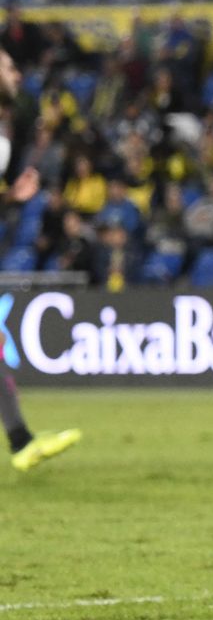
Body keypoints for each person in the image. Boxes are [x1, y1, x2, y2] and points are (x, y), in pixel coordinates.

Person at [0, 48, 79, 472]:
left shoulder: (8, 128)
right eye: (9, 66)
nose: (16, 73)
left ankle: (21, 441)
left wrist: (10, 197)